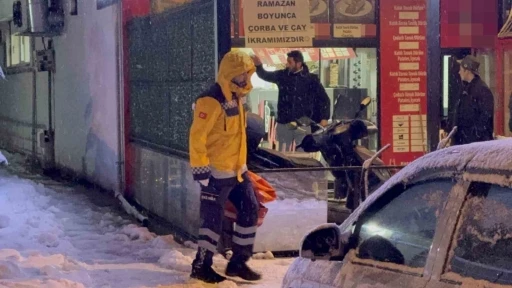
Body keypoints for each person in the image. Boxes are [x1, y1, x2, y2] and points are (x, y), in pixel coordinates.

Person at [189, 50, 261, 283]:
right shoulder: (211, 100)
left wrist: (243, 166)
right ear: (230, 73)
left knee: (250, 209)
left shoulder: (236, 96)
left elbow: (236, 135)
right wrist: (200, 169)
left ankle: (238, 262)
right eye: (241, 73)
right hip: (216, 173)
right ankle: (201, 266)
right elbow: (197, 136)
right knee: (211, 222)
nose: (245, 78)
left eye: (247, 74)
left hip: (238, 171)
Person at [251, 50, 331, 151]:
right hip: (284, 122)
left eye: (290, 62)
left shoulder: (311, 79)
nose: (287, 64)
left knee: (303, 153)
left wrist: (324, 118)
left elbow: (324, 99)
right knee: (283, 153)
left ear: (299, 63)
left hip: (303, 122)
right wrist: (259, 67)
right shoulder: (282, 76)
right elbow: (265, 75)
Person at [452, 55, 494, 145]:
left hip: (475, 146)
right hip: (466, 143)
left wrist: (474, 136)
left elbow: (485, 118)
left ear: (467, 71)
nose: (459, 72)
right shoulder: (465, 89)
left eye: (461, 69)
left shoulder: (482, 90)